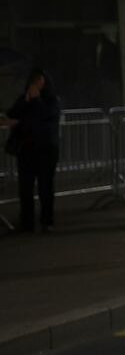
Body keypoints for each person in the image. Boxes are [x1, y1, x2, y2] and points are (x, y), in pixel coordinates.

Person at [3, 68, 62, 233]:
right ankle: (27, 223)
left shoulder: (51, 101)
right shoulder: (25, 99)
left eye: (39, 81)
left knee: (45, 187)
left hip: (46, 150)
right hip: (27, 150)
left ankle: (47, 221)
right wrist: (26, 101)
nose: (35, 85)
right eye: (33, 81)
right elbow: (12, 113)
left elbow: (42, 120)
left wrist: (35, 101)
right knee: (25, 188)